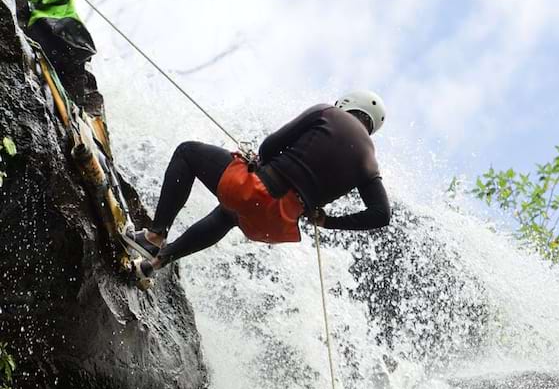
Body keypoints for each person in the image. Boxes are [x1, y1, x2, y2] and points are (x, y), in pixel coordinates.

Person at [131, 90, 391, 281]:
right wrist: (327, 222)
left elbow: (270, 145)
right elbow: (381, 215)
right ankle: (158, 261)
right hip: (275, 226)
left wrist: (260, 161)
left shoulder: (329, 112)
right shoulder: (370, 162)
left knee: (187, 153)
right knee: (228, 214)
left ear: (346, 104)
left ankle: (155, 236)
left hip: (256, 190)